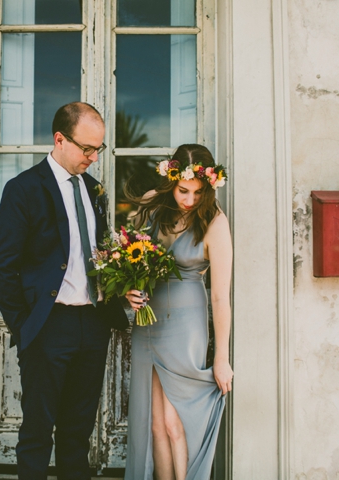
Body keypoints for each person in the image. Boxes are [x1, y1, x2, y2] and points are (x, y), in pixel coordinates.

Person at [0, 102, 129, 480]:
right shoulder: (24, 189)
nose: (94, 158)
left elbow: (99, 254)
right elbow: (1, 264)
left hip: (92, 324)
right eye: (87, 149)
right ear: (59, 139)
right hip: (48, 327)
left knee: (77, 434)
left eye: (98, 149)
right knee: (37, 434)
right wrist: (25, 325)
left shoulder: (93, 189)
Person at [123, 144, 233, 480]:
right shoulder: (153, 205)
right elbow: (129, 255)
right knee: (154, 423)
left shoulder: (215, 222)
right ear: (172, 181)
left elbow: (220, 297)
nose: (189, 199)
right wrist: (129, 289)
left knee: (174, 421)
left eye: (198, 193)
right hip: (148, 322)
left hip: (186, 324)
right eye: (183, 190)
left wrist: (222, 357)